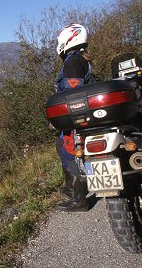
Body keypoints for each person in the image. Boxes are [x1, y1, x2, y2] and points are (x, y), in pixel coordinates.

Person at [53, 23, 97, 212]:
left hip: (77, 118)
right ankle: (71, 188)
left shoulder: (72, 62)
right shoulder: (82, 59)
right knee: (61, 145)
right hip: (86, 115)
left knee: (68, 151)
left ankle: (79, 199)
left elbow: (73, 94)